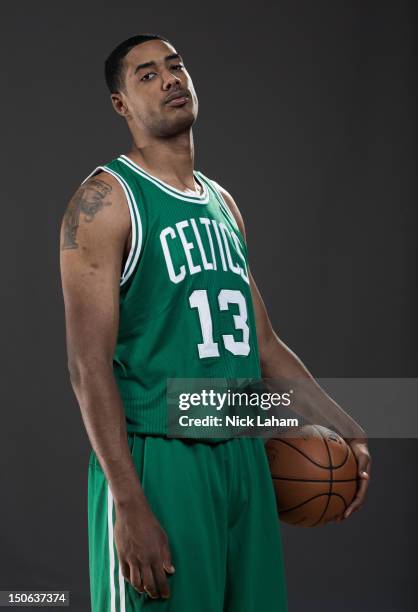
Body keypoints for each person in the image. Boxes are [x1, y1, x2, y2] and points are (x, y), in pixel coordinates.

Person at [59, 33, 371, 612]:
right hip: (160, 458)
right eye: (147, 75)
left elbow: (265, 343)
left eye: (175, 66)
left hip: (242, 454)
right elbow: (87, 365)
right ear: (121, 104)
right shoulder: (105, 201)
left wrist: (345, 422)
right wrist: (129, 502)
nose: (170, 79)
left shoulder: (222, 204)